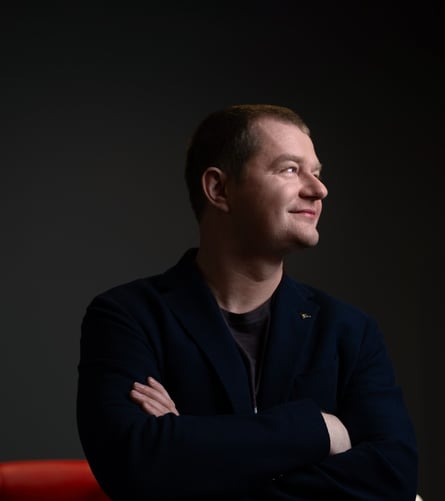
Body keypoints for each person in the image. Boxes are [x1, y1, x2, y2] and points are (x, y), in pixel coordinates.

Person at [77, 104, 418, 500]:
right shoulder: (127, 316)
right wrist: (320, 429)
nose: (318, 189)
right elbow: (133, 464)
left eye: (317, 172)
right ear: (219, 189)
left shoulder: (350, 330)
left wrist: (192, 450)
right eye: (290, 169)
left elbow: (393, 475)